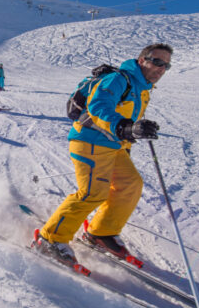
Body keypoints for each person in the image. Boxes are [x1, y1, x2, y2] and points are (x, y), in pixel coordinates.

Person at [33, 43, 173, 267]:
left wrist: (132, 134)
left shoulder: (142, 89)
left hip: (112, 145)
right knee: (92, 193)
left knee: (130, 184)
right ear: (142, 60)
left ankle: (102, 232)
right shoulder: (119, 79)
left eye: (166, 65)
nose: (161, 68)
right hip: (89, 140)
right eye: (156, 61)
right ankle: (50, 238)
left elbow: (127, 116)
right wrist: (124, 127)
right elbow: (98, 106)